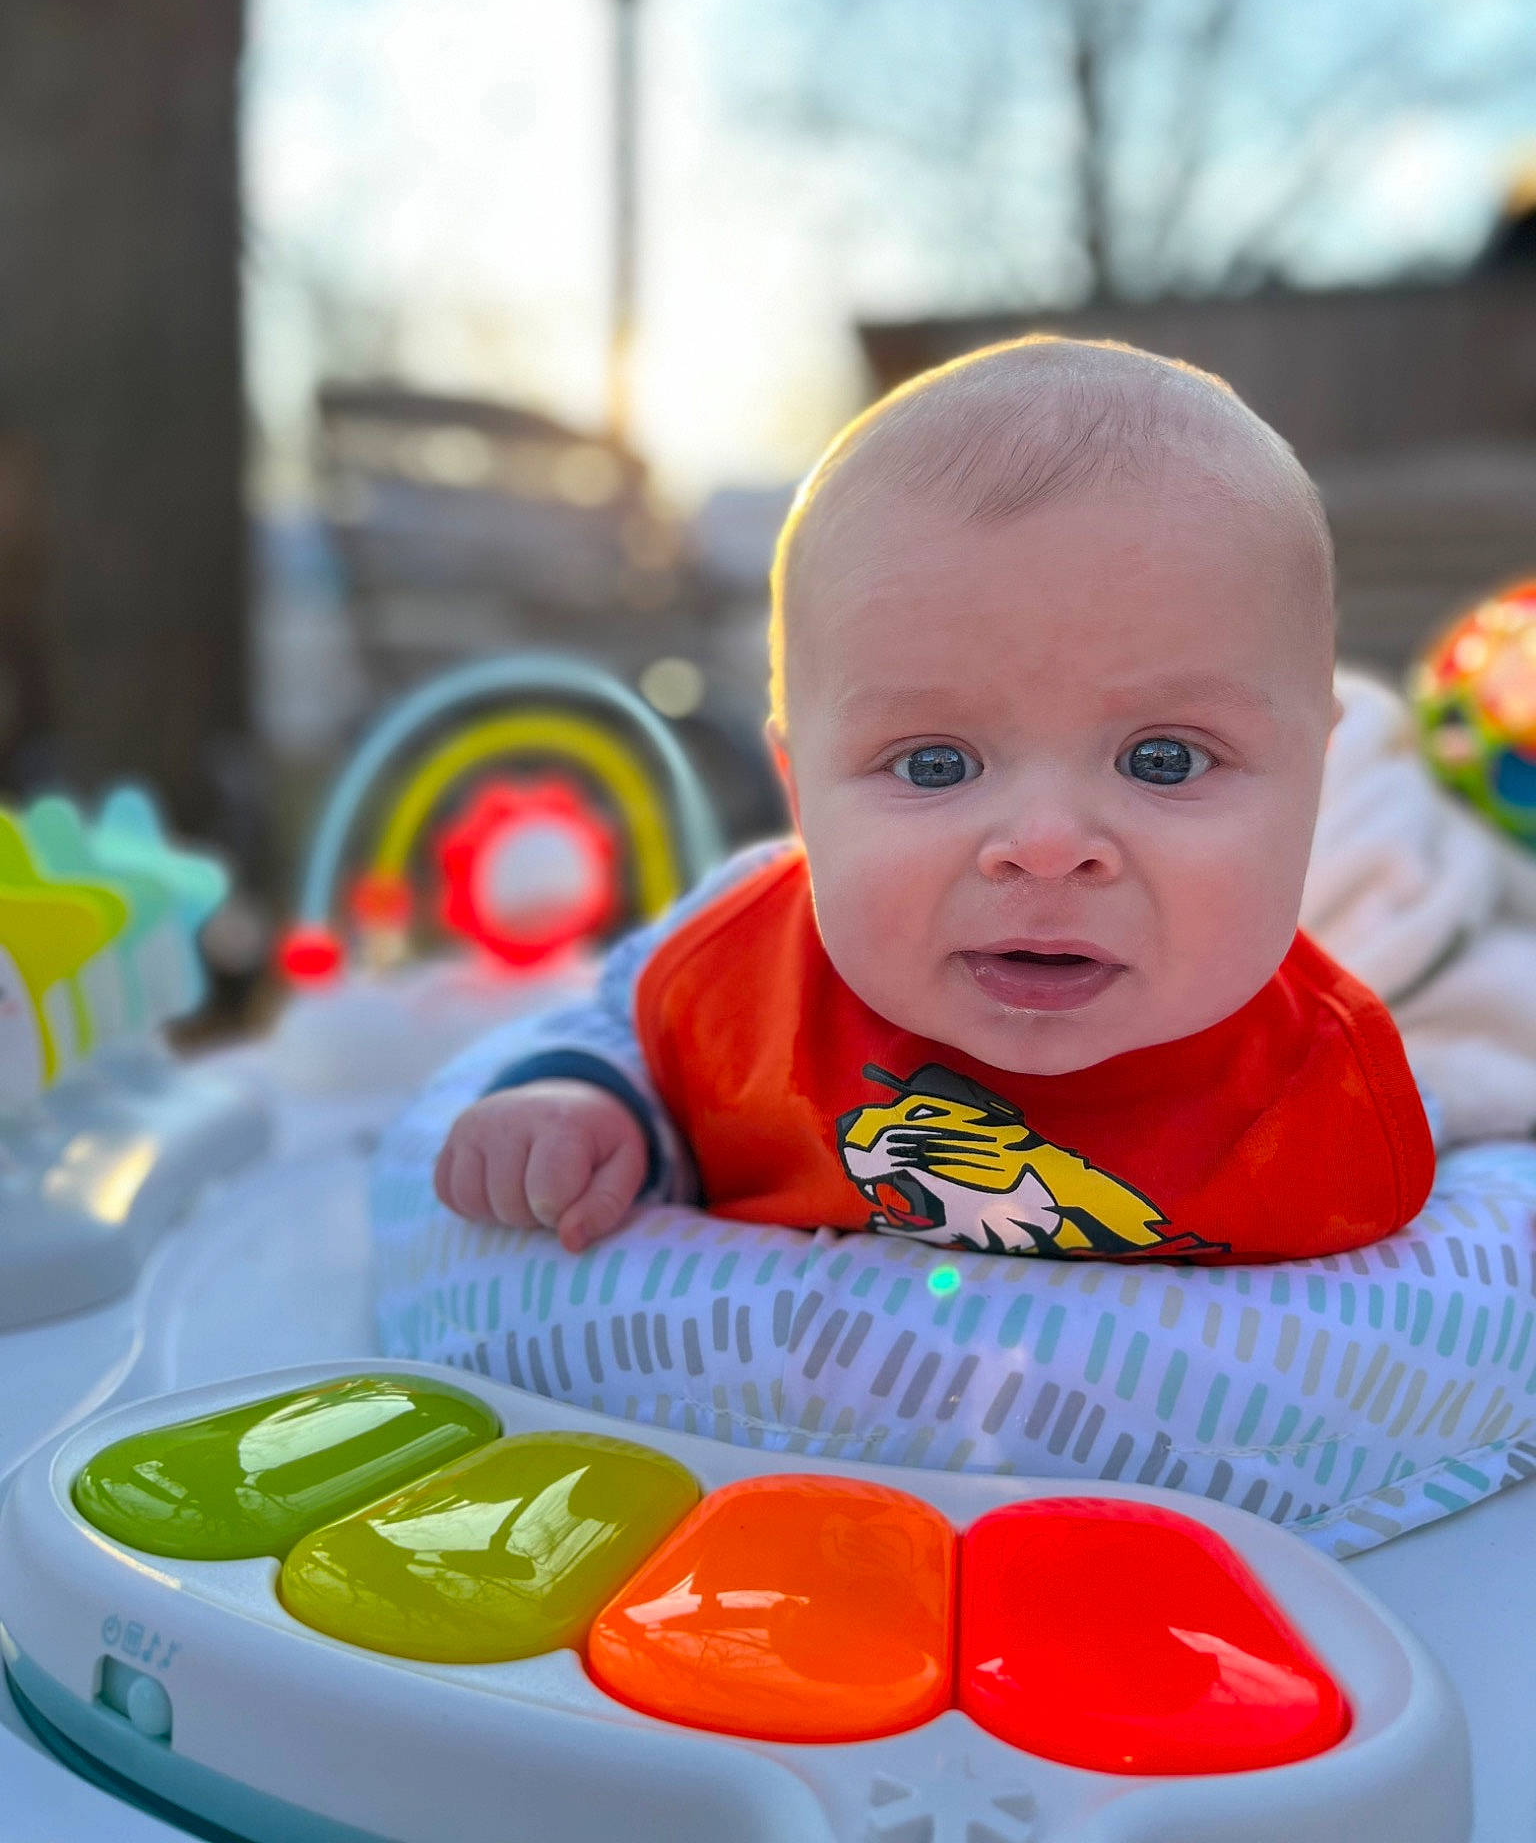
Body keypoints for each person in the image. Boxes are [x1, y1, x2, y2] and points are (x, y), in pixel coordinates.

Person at [433, 337, 1433, 1262]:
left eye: (1164, 758)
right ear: (803, 797)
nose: (1045, 846)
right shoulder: (737, 970)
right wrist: (583, 1111)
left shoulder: (1329, 1092)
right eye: (934, 764)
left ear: (1313, 788)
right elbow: (627, 1034)